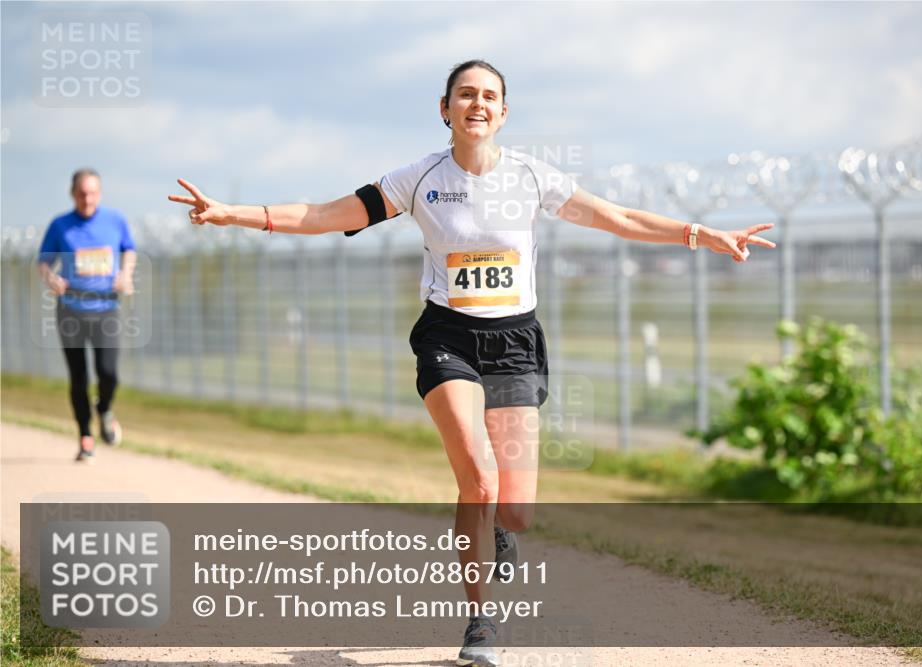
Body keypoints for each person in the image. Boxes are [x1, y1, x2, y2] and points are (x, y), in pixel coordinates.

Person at [169, 59, 775, 667]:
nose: (477, 104)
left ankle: (497, 527)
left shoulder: (533, 178)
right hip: (447, 339)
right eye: (465, 94)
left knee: (515, 508)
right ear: (445, 109)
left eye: (489, 96)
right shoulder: (418, 179)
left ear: (504, 113)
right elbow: (329, 215)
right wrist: (234, 213)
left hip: (515, 343)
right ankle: (479, 622)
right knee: (479, 481)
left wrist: (704, 234)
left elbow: (617, 218)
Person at [39, 168, 136, 463]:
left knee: (109, 373)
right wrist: (51, 279)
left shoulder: (115, 220)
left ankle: (104, 408)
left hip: (106, 308)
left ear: (100, 193)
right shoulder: (60, 226)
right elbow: (44, 262)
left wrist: (126, 274)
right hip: (71, 310)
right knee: (78, 377)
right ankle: (85, 436)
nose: (87, 199)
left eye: (92, 193)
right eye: (82, 193)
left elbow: (129, 249)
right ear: (73, 194)